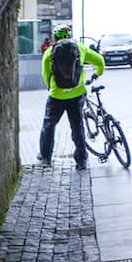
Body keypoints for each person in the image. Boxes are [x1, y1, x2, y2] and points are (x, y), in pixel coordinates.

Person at [39, 25, 104, 170]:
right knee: (77, 126)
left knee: (49, 125)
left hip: (57, 95)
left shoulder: (50, 52)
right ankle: (81, 160)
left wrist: (52, 85)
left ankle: (45, 157)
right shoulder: (80, 48)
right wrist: (96, 75)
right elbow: (100, 61)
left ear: (55, 37)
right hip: (77, 93)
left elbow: (45, 74)